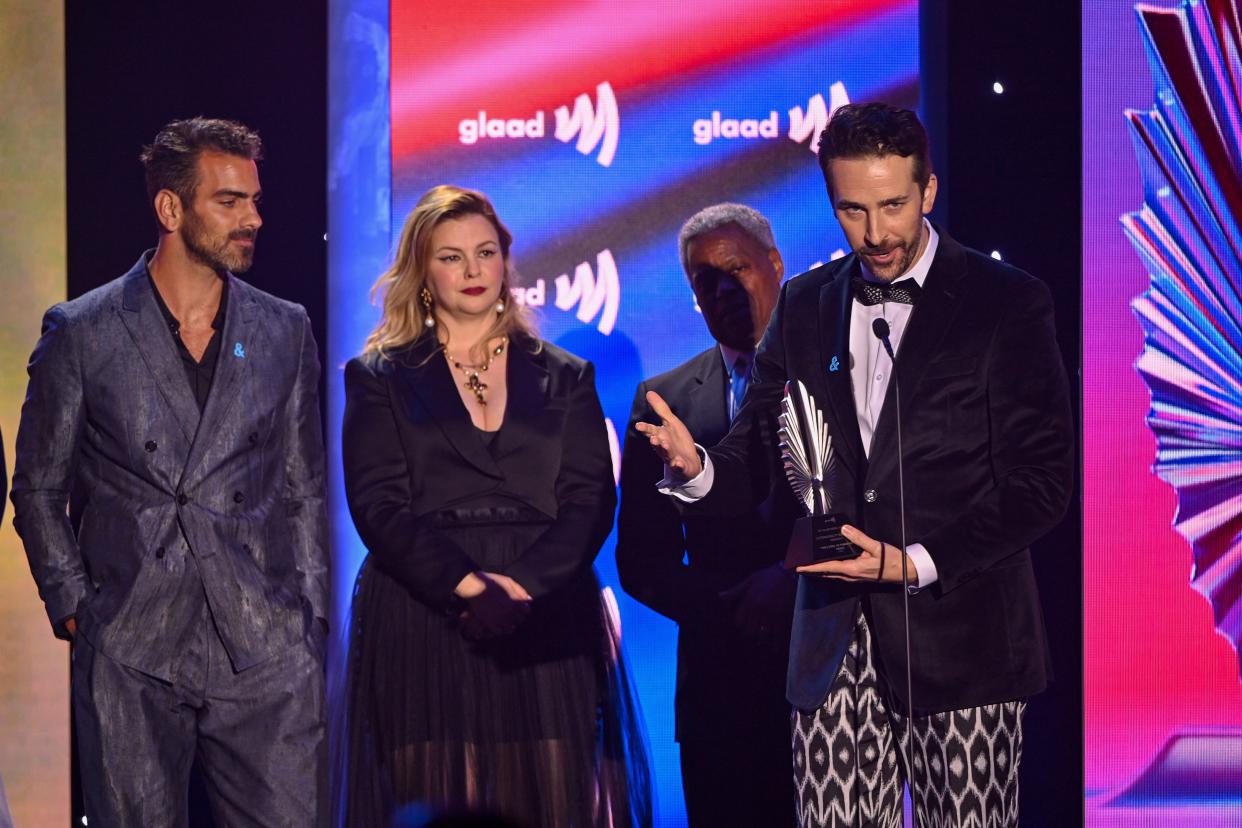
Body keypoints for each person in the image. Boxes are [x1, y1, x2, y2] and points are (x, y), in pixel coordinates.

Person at [637, 103, 1073, 827]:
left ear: (928, 191)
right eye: (852, 210)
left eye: (893, 206)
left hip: (965, 646)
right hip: (834, 649)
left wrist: (915, 562)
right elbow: (754, 459)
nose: (876, 234)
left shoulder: (1007, 303)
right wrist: (696, 470)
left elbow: (1042, 484)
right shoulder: (806, 305)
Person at [10, 117, 329, 826]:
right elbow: (37, 486)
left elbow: (304, 487)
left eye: (253, 199)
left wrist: (307, 617)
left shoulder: (284, 330)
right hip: (130, 638)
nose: (254, 218)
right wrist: (76, 608)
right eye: (230, 201)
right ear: (171, 209)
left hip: (264, 642)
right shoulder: (84, 330)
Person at [338, 184, 650, 827]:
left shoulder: (566, 375)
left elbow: (591, 499)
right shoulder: (377, 377)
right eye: (451, 257)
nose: (473, 270)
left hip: (547, 611)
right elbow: (378, 505)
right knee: (438, 792)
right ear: (422, 273)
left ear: (506, 261)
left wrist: (518, 587)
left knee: (555, 798)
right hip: (427, 615)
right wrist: (467, 587)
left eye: (485, 252)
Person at [616, 203, 798, 826]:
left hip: (831, 679)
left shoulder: (844, 370)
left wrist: (790, 584)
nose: (723, 291)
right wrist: (733, 604)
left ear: (775, 265)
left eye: (736, 269)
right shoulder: (662, 401)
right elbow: (640, 559)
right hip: (720, 689)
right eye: (705, 281)